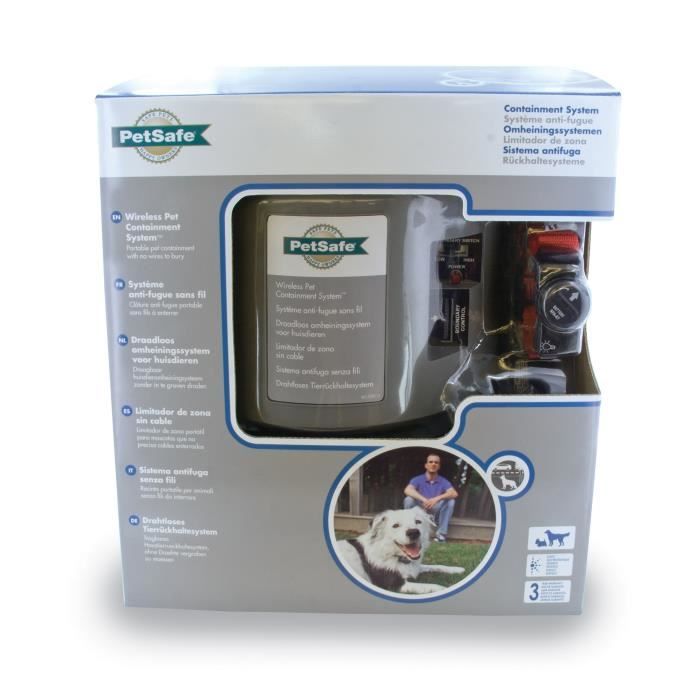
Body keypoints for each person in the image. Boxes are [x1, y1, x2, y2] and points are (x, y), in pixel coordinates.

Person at [403, 453, 458, 542]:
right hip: (421, 509)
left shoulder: (443, 481)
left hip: (435, 510)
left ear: (439, 466)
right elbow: (407, 490)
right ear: (426, 465)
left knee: (451, 501)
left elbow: (454, 493)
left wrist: (436, 499)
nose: (433, 464)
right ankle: (408, 527)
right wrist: (424, 499)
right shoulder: (418, 479)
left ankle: (441, 535)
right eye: (431, 462)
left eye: (436, 462)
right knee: (408, 499)